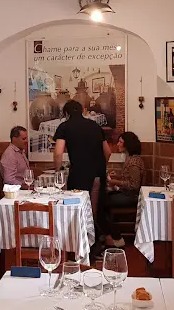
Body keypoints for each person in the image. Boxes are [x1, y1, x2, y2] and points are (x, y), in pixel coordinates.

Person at [53, 101, 111, 236]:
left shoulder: (64, 126)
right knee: (95, 209)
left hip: (79, 174)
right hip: (98, 173)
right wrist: (101, 166)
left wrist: (58, 171)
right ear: (82, 111)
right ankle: (97, 240)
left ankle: (80, 240)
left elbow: (58, 153)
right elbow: (108, 152)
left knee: (76, 208)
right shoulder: (95, 125)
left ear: (66, 114)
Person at [105, 131, 146, 247]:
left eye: (120, 142)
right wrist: (116, 177)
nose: (118, 144)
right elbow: (129, 178)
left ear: (127, 144)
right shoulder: (131, 158)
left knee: (102, 202)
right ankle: (109, 233)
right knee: (103, 199)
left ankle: (115, 236)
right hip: (126, 194)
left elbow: (134, 185)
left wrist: (114, 182)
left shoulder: (134, 162)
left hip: (131, 197)